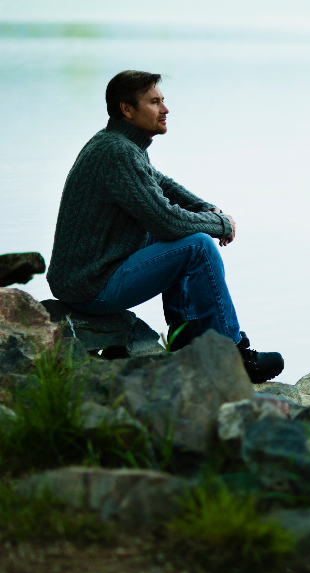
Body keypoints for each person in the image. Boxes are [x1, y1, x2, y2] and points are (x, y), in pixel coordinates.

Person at [46, 70, 283, 383]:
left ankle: (186, 335)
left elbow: (163, 185)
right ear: (126, 109)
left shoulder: (120, 144)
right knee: (197, 246)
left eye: (163, 101)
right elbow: (167, 220)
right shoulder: (117, 153)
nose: (165, 109)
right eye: (154, 102)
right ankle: (231, 356)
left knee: (181, 235)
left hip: (89, 272)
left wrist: (207, 209)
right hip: (91, 286)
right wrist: (219, 225)